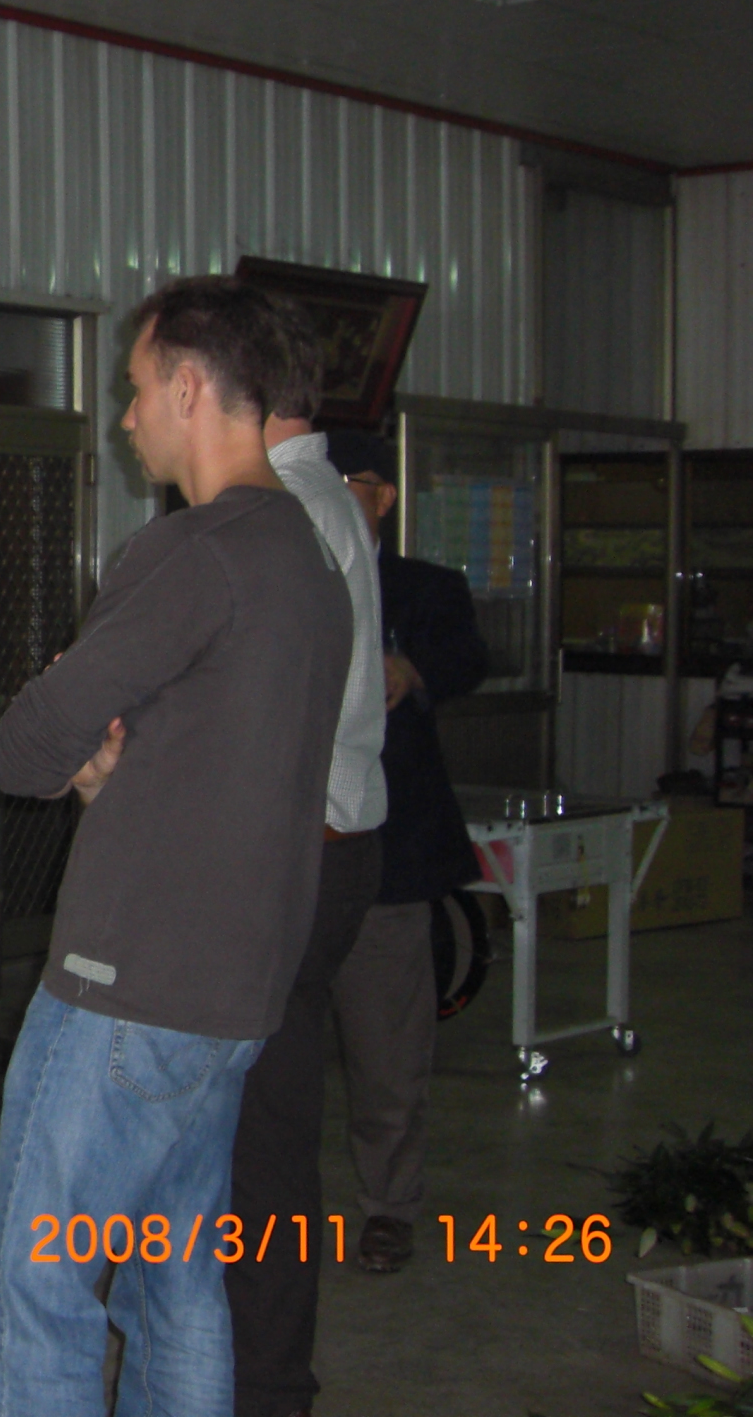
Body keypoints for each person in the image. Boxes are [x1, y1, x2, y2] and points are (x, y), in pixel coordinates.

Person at [0, 276, 353, 1417]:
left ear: (190, 388)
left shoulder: (193, 550)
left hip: (127, 990)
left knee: (39, 1289)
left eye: (136, 389)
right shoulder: (309, 559)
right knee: (173, 1285)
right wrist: (104, 774)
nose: (127, 416)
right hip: (232, 996)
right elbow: (216, 766)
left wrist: (66, 739)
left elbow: (24, 748)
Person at [226, 303, 390, 1417]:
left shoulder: (283, 509)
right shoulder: (324, 498)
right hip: (330, 841)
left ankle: (267, 1382)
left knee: (265, 1145)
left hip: (299, 850)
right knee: (261, 1133)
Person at [325, 428, 487, 1277]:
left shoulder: (423, 588)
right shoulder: (287, 576)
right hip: (288, 856)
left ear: (382, 497)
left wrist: (409, 670)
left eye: (344, 483)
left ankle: (389, 1207)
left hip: (389, 856)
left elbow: (466, 657)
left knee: (387, 1048)